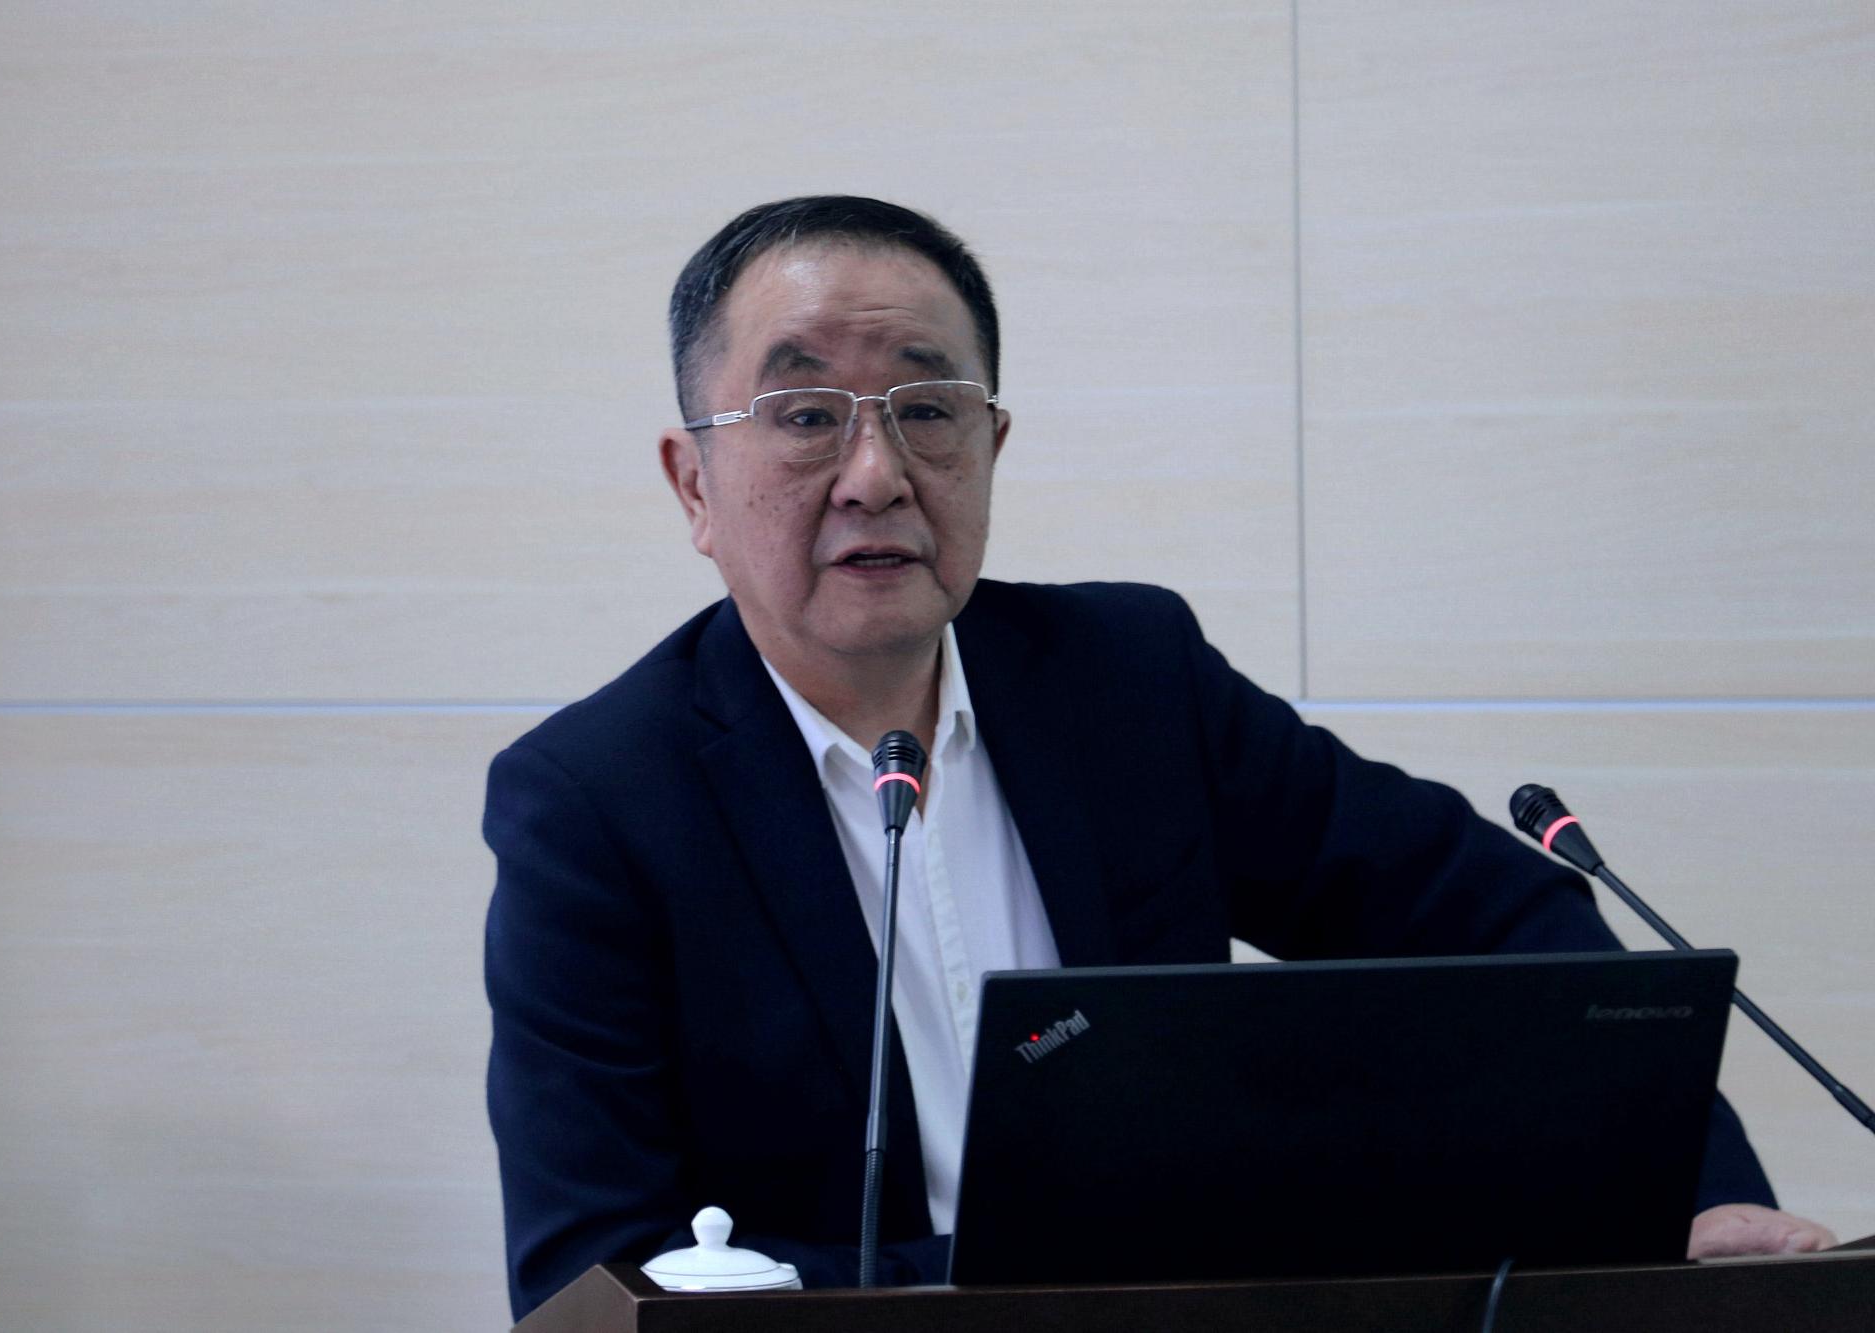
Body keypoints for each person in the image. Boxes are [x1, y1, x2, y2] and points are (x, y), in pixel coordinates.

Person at [482, 196, 1835, 1319]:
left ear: (993, 444)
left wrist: (1688, 1193)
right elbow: (588, 1274)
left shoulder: (1127, 683)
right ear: (693, 484)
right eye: (805, 413)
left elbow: (1491, 915)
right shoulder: (599, 803)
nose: (877, 472)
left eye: (929, 408)